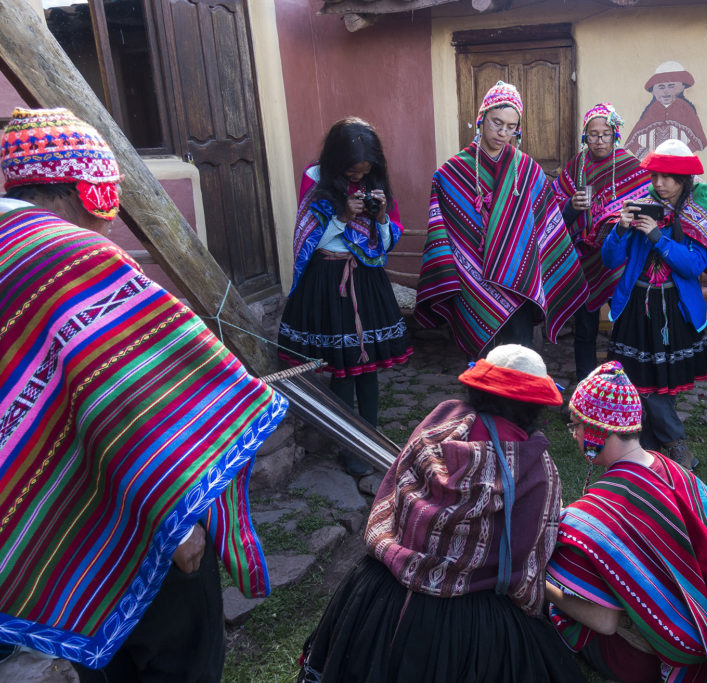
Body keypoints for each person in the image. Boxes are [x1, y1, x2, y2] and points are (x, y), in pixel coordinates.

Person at [0, 108, 286, 680]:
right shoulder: (73, 258)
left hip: (50, 518)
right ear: (85, 189)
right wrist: (178, 527)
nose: (111, 224)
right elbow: (139, 406)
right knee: (176, 660)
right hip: (132, 526)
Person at [298, 344, 586, 683]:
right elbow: (527, 562)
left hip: (381, 591)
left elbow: (392, 494)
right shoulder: (536, 469)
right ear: (535, 404)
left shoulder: (437, 426)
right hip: (470, 619)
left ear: (479, 388)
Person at [545, 361, 707, 682]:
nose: (574, 434)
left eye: (576, 425)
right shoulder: (672, 469)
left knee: (552, 608)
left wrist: (537, 583)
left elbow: (604, 622)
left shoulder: (592, 515)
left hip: (649, 654)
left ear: (595, 430)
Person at [278, 117, 411, 476]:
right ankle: (347, 442)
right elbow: (309, 242)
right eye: (353, 172)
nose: (358, 177)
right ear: (337, 162)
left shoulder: (374, 181)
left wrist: (381, 219)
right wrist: (340, 217)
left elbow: (384, 245)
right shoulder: (315, 178)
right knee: (342, 367)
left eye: (364, 172)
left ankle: (370, 436)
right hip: (327, 281)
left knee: (367, 367)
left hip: (366, 279)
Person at [415, 81, 587, 356]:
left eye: (511, 127)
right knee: (481, 363)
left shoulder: (528, 170)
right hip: (472, 283)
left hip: (519, 283)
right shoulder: (451, 173)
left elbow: (546, 226)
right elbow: (443, 232)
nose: (503, 132)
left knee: (517, 358)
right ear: (481, 118)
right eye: (497, 123)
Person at [602, 138, 707, 469]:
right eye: (654, 176)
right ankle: (669, 445)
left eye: (667, 177)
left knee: (661, 382)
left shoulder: (696, 212)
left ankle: (659, 444)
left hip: (673, 308)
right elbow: (610, 260)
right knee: (639, 377)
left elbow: (694, 266)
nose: (658, 183)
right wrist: (621, 229)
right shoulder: (641, 207)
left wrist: (657, 237)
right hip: (637, 304)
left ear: (683, 179)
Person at [554, 103, 647, 381]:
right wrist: (571, 206)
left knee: (624, 325)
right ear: (585, 136)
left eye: (605, 134)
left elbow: (646, 203)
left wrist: (617, 218)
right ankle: (586, 383)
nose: (599, 140)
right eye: (593, 135)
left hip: (620, 260)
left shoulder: (631, 166)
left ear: (615, 134)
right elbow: (555, 208)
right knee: (585, 326)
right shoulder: (577, 165)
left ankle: (622, 383)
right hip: (584, 260)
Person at [624, 61, 707, 158]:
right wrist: (647, 157)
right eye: (661, 87)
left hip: (678, 164)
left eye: (671, 86)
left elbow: (699, 141)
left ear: (682, 87)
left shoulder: (686, 110)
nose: (666, 91)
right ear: (653, 90)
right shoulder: (651, 111)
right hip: (653, 165)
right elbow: (632, 142)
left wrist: (680, 155)